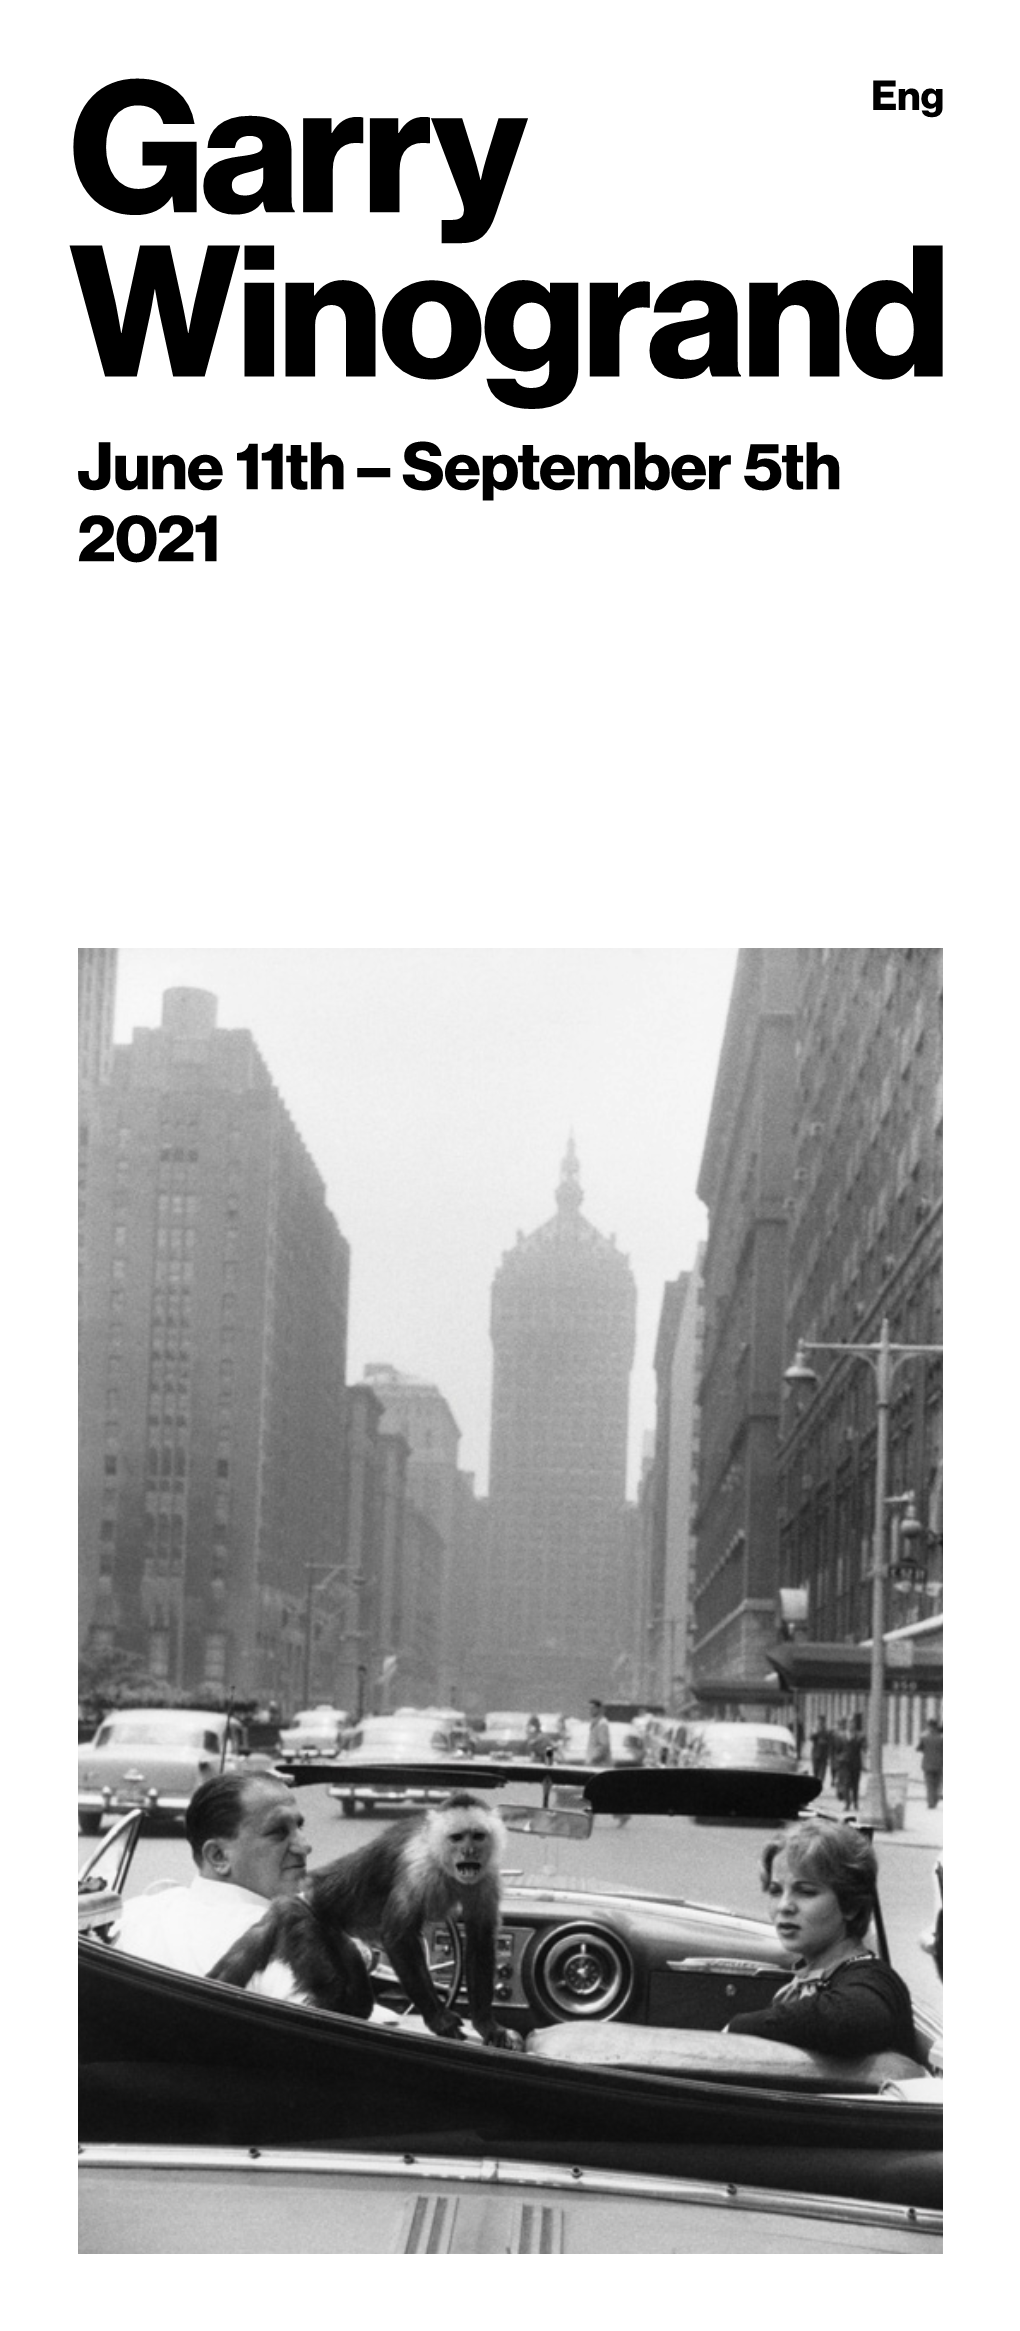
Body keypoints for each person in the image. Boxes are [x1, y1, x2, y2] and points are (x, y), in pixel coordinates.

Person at [726, 1819, 916, 2059]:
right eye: (775, 1891)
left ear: (851, 1906)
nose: (784, 1906)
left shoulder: (873, 1979)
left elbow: (855, 2017)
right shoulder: (816, 1975)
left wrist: (739, 2027)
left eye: (805, 1892)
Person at [114, 1771, 311, 1979]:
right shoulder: (287, 1944)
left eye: (299, 1826)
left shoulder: (132, 1915)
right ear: (218, 1857)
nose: (305, 1846)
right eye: (278, 1832)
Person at [842, 1714, 865, 1812]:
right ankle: (847, 1803)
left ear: (855, 1724)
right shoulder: (842, 1735)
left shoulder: (859, 1736)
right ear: (846, 1724)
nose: (851, 1725)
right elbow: (837, 1749)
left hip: (856, 1764)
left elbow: (864, 1748)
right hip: (845, 1764)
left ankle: (855, 1802)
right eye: (849, 1723)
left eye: (852, 1723)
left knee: (855, 1784)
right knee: (846, 1784)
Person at [918, 1717, 943, 1808]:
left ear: (929, 1727)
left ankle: (931, 1802)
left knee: (929, 1785)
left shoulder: (924, 1738)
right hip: (939, 1764)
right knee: (937, 1784)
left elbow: (919, 1748)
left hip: (928, 1764)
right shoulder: (942, 1739)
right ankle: (935, 1799)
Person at [586, 1698, 612, 1765]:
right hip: (593, 1762)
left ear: (599, 1709)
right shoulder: (595, 1723)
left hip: (600, 1764)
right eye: (589, 1708)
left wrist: (594, 1760)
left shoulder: (602, 1724)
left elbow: (604, 1745)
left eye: (593, 1708)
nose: (590, 1710)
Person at [809, 1720, 832, 1786]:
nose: (821, 1726)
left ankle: (820, 1783)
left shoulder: (827, 1733)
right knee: (815, 1770)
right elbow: (811, 1738)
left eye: (822, 1724)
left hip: (824, 1755)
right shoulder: (815, 1732)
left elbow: (830, 1743)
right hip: (815, 1755)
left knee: (823, 1771)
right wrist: (815, 1732)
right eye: (820, 1724)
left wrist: (829, 1753)